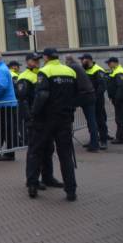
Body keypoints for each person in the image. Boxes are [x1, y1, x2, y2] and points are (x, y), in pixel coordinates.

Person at [26, 48, 79, 201]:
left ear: (46, 57)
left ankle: (33, 185)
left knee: (36, 151)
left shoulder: (45, 71)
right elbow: (76, 93)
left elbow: (42, 95)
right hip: (65, 119)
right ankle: (71, 190)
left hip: (45, 120)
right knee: (65, 155)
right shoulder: (70, 71)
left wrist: (34, 113)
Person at [15, 53, 62, 190]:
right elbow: (22, 100)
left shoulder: (41, 74)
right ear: (27, 61)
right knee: (35, 151)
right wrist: (29, 118)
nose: (36, 62)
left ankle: (48, 177)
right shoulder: (24, 77)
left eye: (37, 60)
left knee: (48, 149)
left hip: (46, 118)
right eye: (33, 60)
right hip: (35, 119)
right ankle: (32, 181)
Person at [0, 52, 18, 160]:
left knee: (6, 129)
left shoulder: (1, 70)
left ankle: (9, 154)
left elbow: (2, 87)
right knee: (2, 129)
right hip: (5, 104)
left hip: (6, 105)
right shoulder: (0, 69)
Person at [65, 54, 97, 151]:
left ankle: (94, 144)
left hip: (84, 96)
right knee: (91, 120)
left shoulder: (72, 67)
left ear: (67, 61)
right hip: (89, 95)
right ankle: (93, 142)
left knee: (90, 121)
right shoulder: (77, 66)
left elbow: (72, 83)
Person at [80, 54, 108, 151]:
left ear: (88, 60)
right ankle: (93, 139)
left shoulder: (98, 70)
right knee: (90, 121)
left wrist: (95, 97)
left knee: (100, 119)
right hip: (88, 100)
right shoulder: (85, 70)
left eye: (82, 60)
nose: (81, 62)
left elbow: (102, 86)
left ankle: (104, 140)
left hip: (97, 100)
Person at [107, 57, 123, 144]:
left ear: (114, 63)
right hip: (118, 99)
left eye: (109, 63)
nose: (108, 65)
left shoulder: (119, 71)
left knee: (120, 119)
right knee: (120, 118)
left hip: (120, 100)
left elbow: (121, 87)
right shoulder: (115, 71)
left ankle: (120, 138)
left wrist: (117, 99)